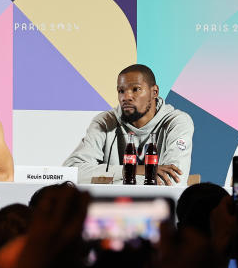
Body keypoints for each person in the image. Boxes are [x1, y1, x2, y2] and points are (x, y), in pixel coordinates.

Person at [63, 64, 193, 185]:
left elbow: (172, 180)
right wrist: (134, 170)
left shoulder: (177, 122)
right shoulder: (104, 121)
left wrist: (104, 180)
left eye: (136, 89)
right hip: (111, 206)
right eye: (121, 91)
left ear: (154, 92)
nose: (126, 97)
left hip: (157, 206)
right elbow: (71, 172)